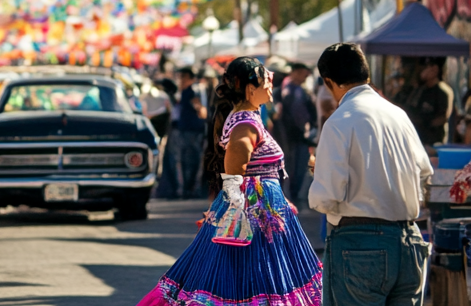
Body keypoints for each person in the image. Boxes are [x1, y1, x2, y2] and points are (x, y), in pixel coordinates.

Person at [138, 58, 321, 306]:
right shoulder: (245, 123)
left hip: (260, 213)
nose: (270, 86)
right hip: (254, 217)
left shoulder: (249, 118)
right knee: (248, 280)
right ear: (249, 89)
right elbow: (235, 173)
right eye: (266, 81)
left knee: (253, 280)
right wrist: (234, 213)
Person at [309, 43, 432, 306]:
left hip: (359, 245)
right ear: (366, 75)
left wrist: (319, 173)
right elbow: (424, 172)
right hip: (408, 240)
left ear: (329, 82)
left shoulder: (340, 120)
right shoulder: (398, 114)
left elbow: (326, 197)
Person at [275, 62, 316, 203]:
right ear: (296, 72)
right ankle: (292, 196)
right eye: (304, 74)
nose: (305, 78)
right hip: (292, 136)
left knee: (297, 166)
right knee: (293, 167)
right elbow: (293, 115)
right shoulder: (290, 90)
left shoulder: (298, 89)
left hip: (296, 136)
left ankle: (292, 195)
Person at [167, 67, 207, 199]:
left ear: (190, 78)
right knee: (184, 160)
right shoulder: (184, 92)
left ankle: (190, 188)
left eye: (183, 77)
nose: (180, 80)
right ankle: (186, 188)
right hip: (185, 130)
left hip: (192, 131)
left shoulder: (191, 92)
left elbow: (201, 111)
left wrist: (199, 113)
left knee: (191, 160)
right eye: (180, 77)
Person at [404, 56, 453, 146]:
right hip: (418, 140)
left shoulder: (443, 91)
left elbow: (443, 117)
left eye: (426, 66)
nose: (422, 70)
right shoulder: (420, 90)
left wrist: (426, 123)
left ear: (435, 69)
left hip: (434, 142)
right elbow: (411, 109)